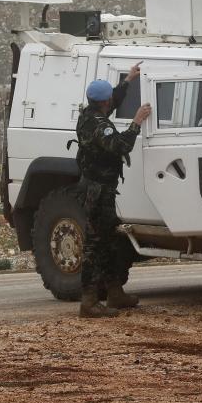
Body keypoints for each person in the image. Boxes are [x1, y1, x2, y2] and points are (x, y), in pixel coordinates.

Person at [75, 65, 152, 318]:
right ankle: (88, 301)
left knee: (108, 242)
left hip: (100, 189)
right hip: (98, 192)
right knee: (95, 246)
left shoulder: (89, 114)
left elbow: (113, 100)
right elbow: (120, 145)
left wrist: (128, 80)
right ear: (104, 102)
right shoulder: (99, 125)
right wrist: (136, 123)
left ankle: (114, 292)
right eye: (110, 99)